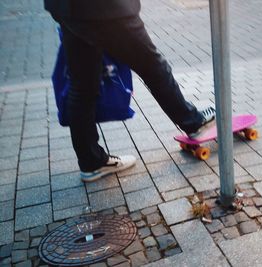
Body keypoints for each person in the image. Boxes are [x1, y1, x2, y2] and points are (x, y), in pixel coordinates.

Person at [44, 0, 216, 182]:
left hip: (65, 7)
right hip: (104, 8)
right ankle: (193, 122)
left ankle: (91, 162)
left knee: (82, 86)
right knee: (153, 65)